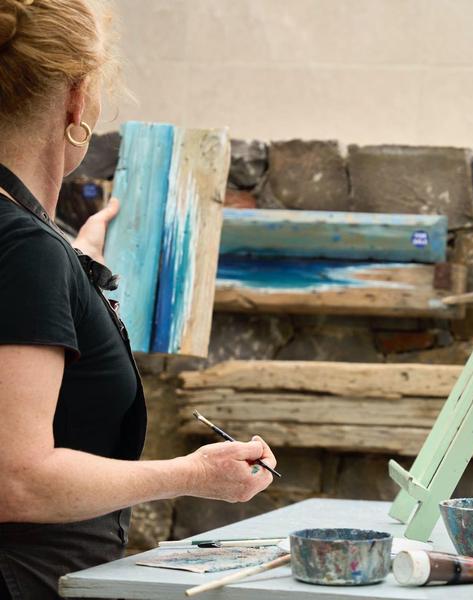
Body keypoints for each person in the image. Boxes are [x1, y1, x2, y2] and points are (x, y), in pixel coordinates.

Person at [0, 1, 277, 598]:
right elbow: (15, 479)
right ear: (77, 100)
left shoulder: (27, 245)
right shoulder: (22, 247)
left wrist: (74, 271)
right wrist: (192, 474)